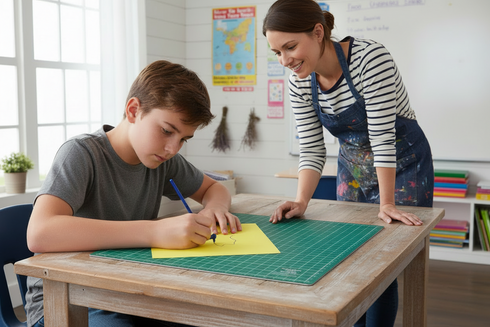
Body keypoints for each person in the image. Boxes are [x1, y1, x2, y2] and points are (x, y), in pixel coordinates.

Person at [25, 60, 241, 327]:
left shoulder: (163, 160)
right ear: (133, 110)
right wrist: (155, 233)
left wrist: (214, 210)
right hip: (64, 301)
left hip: (127, 292)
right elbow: (39, 233)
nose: (174, 148)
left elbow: (214, 188)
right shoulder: (81, 153)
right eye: (166, 131)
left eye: (184, 139)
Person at [263, 0, 434, 326]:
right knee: (354, 259)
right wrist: (301, 201)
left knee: (386, 260)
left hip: (404, 163)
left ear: (318, 32)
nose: (285, 61)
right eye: (277, 52)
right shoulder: (299, 79)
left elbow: (382, 137)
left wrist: (387, 203)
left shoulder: (370, 59)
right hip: (353, 167)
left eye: (290, 47)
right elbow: (312, 148)